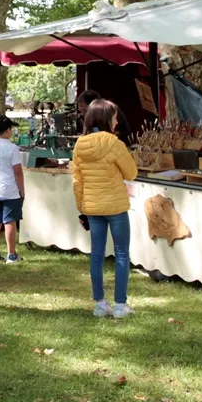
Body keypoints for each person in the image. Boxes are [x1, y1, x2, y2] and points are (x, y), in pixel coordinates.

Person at [72, 98, 139, 319]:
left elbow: (77, 180)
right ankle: (120, 305)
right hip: (115, 206)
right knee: (121, 254)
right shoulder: (114, 143)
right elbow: (131, 173)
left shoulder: (80, 145)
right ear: (107, 119)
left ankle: (100, 304)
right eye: (115, 117)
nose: (117, 121)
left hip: (92, 207)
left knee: (96, 255)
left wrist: (82, 207)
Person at [0, 115, 24, 264]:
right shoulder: (12, 148)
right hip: (10, 190)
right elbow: (18, 171)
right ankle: (11, 254)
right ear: (7, 130)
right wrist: (22, 189)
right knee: (9, 221)